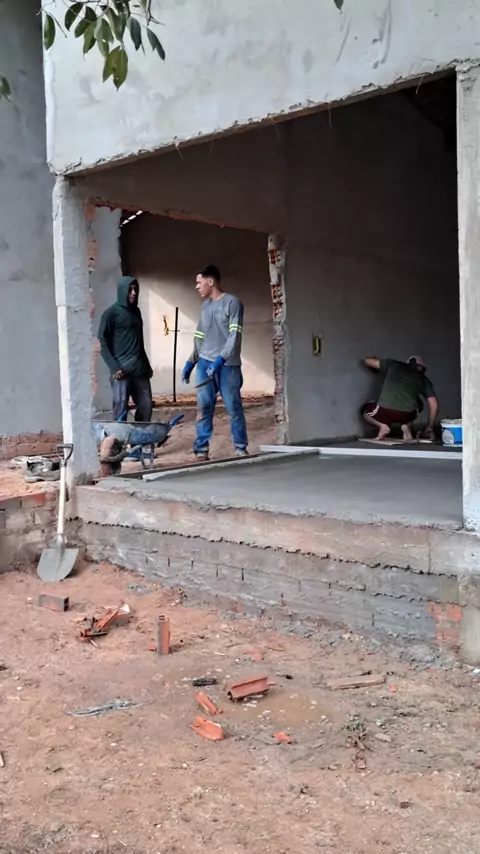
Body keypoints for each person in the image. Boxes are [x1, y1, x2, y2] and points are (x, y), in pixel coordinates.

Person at [181, 264, 248, 461]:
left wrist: (221, 359)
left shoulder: (232, 303)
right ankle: (201, 449)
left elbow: (234, 336)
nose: (197, 286)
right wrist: (191, 362)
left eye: (199, 282)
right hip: (205, 363)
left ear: (210, 281)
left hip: (228, 366)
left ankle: (240, 447)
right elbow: (199, 338)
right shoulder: (204, 308)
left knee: (233, 407)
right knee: (204, 407)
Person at [98, 276, 153, 422]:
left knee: (146, 406)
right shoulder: (111, 314)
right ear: (122, 291)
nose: (134, 293)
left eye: (135, 289)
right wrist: (114, 367)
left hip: (139, 370)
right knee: (120, 408)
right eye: (130, 290)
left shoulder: (137, 312)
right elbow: (102, 342)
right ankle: (119, 436)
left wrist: (147, 366)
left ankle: (140, 435)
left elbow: (139, 342)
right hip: (121, 373)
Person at [362, 355, 439, 441]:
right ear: (421, 368)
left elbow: (368, 361)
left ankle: (383, 426)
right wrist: (429, 426)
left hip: (383, 411)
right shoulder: (423, 379)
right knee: (418, 404)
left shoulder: (394, 364)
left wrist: (378, 361)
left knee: (365, 410)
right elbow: (433, 403)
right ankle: (406, 427)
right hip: (407, 415)